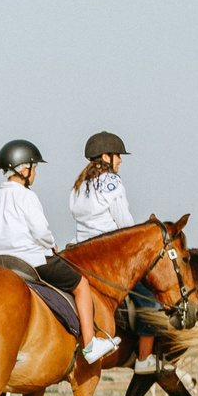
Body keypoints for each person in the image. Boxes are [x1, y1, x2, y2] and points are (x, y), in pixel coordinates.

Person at [0, 138, 119, 363]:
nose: (35, 173)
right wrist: (51, 244)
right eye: (34, 168)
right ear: (24, 169)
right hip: (30, 260)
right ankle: (89, 345)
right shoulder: (27, 196)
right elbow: (40, 230)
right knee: (81, 285)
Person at [68, 130, 161, 372]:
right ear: (106, 157)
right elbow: (125, 225)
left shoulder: (78, 186)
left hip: (81, 256)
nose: (121, 160)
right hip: (109, 259)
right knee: (148, 296)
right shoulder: (112, 181)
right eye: (118, 155)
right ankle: (143, 358)